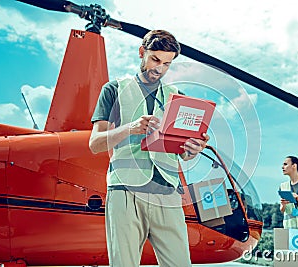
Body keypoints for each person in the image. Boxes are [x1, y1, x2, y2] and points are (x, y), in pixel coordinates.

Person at [89, 30, 209, 267]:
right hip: (125, 192)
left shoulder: (178, 97)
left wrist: (192, 149)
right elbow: (95, 144)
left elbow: (182, 153)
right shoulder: (114, 89)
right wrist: (130, 128)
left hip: (167, 193)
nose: (160, 69)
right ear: (142, 52)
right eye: (155, 59)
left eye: (167, 63)